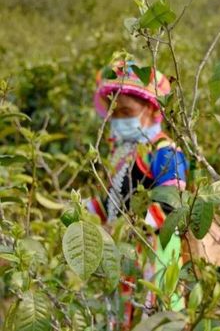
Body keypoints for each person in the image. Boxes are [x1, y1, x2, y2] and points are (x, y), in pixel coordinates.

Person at [88, 59, 188, 327]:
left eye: (127, 112)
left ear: (150, 108)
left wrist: (130, 228)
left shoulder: (165, 152)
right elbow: (112, 198)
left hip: (155, 250)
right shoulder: (120, 150)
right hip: (120, 253)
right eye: (115, 113)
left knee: (153, 314)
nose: (120, 119)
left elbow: (172, 202)